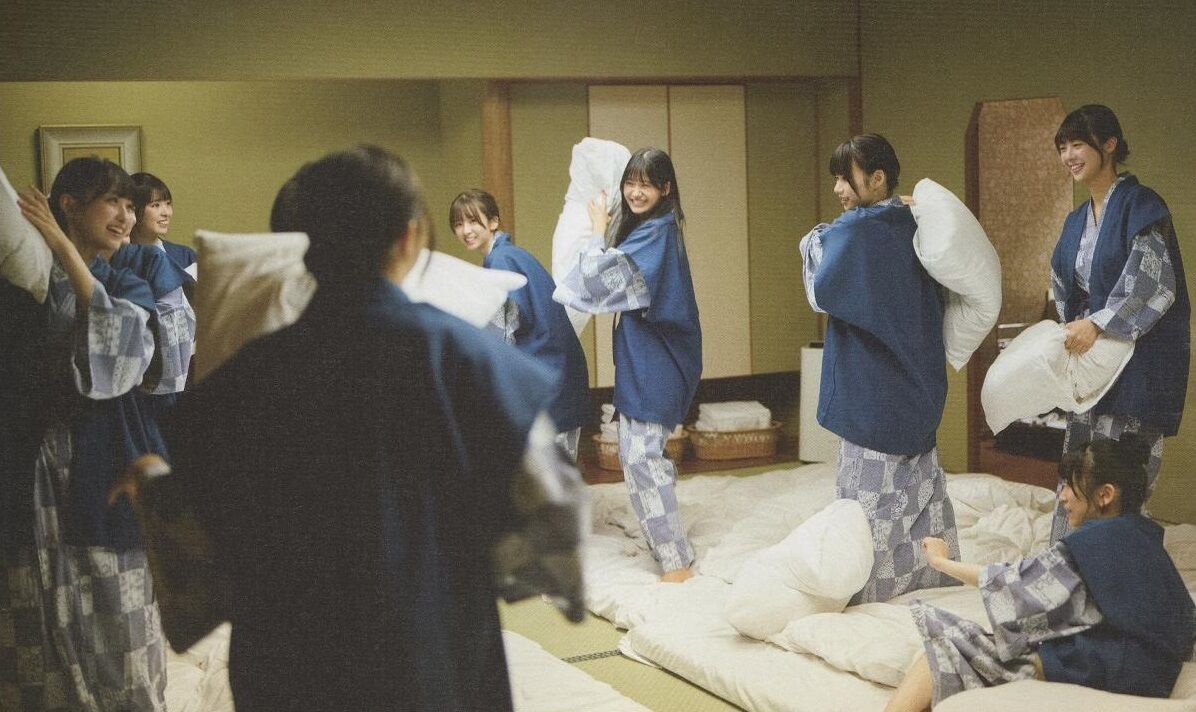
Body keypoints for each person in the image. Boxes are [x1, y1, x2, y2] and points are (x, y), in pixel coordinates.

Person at [114, 146, 587, 712]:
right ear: (411, 236)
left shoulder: (246, 376)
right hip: (430, 652)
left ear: (299, 246)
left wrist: (152, 482)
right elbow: (551, 514)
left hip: (289, 664)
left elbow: (198, 540)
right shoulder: (466, 358)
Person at [1, 158, 166, 710]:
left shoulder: (127, 281)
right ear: (70, 205)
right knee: (28, 598)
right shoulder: (20, 282)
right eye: (112, 202)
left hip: (103, 450)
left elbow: (120, 363)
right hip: (29, 453)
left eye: (131, 205)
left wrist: (62, 246)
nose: (127, 217)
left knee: (116, 599)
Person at [887, 435, 1195, 711]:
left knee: (942, 647)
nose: (1062, 496)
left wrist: (942, 562)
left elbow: (1013, 587)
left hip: (1103, 671)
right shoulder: (1148, 538)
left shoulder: (1095, 542)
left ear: (1105, 495)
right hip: (1153, 676)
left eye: (1070, 486)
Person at [798, 134, 959, 603]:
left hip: (874, 388)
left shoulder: (858, 231)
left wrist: (814, 238)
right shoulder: (914, 223)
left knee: (864, 505)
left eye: (845, 179)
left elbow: (821, 289)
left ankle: (861, 590)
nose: (838, 190)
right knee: (921, 493)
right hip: (918, 379)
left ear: (877, 178)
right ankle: (934, 576)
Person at [555, 147, 701, 583]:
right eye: (630, 183)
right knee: (640, 453)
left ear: (666, 188)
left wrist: (597, 231)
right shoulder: (652, 227)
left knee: (641, 457)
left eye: (646, 185)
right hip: (650, 356)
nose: (636, 193)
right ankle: (669, 545)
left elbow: (595, 280)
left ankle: (676, 562)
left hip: (659, 360)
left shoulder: (655, 234)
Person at [1049, 104, 1189, 541]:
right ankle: (1072, 562)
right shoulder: (1076, 220)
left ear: (1109, 145)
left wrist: (1098, 325)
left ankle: (1121, 566)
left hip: (1136, 365)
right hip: (1092, 363)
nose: (1068, 156)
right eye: (1062, 148)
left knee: (1120, 480)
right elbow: (1063, 285)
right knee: (1079, 472)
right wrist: (1075, 329)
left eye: (1077, 144)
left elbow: (1154, 282)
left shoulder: (1141, 205)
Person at [450, 189, 591, 462]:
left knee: (544, 476)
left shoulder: (501, 260)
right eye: (458, 224)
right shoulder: (511, 255)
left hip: (548, 379)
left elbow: (501, 334)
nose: (466, 230)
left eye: (473, 221)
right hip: (558, 374)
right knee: (559, 474)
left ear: (493, 222)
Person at [129, 172, 197, 279]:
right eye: (156, 205)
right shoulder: (116, 258)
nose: (166, 213)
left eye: (168, 204)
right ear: (134, 209)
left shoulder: (185, 256)